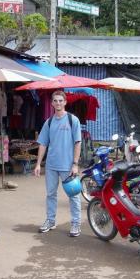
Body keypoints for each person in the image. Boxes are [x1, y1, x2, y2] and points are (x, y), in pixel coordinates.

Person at [34, 90, 82, 237]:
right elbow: (43, 144)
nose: (58, 103)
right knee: (50, 194)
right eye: (55, 101)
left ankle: (75, 223)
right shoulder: (48, 122)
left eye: (61, 100)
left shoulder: (72, 120)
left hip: (68, 166)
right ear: (52, 103)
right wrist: (38, 164)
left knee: (73, 195)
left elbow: (77, 142)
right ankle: (50, 220)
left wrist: (75, 164)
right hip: (51, 166)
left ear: (65, 102)